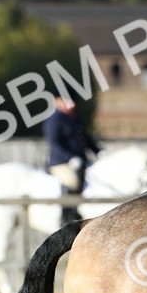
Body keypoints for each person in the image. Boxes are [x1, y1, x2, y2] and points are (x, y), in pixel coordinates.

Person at [44, 95, 101, 225]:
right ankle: (67, 217)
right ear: (57, 101)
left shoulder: (75, 118)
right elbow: (55, 144)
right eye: (67, 101)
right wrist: (69, 158)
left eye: (72, 100)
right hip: (61, 162)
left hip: (81, 161)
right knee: (72, 181)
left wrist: (98, 151)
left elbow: (85, 138)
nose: (72, 104)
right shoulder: (54, 120)